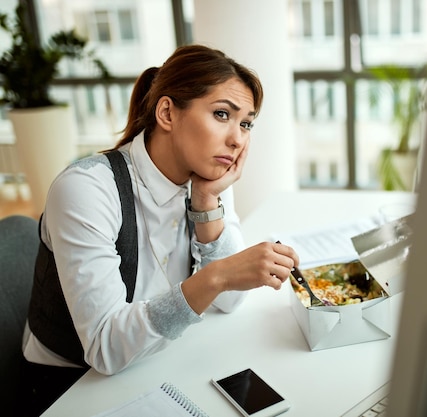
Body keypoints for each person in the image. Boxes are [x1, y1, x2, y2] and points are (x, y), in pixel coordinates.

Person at [18, 44, 299, 416]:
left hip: (156, 360)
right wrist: (214, 277)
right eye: (221, 114)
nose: (237, 139)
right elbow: (106, 349)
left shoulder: (207, 179)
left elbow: (230, 301)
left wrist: (205, 203)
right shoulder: (87, 189)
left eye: (245, 123)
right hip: (71, 387)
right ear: (167, 112)